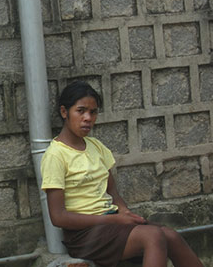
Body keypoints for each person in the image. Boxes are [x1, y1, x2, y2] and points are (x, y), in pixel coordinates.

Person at [41, 81, 203, 267]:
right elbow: (58, 217)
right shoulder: (55, 155)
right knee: (153, 236)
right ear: (64, 112)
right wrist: (114, 218)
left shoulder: (96, 147)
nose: (88, 118)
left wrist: (124, 212)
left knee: (171, 236)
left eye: (93, 112)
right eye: (81, 111)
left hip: (110, 224)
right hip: (84, 235)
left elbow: (113, 192)